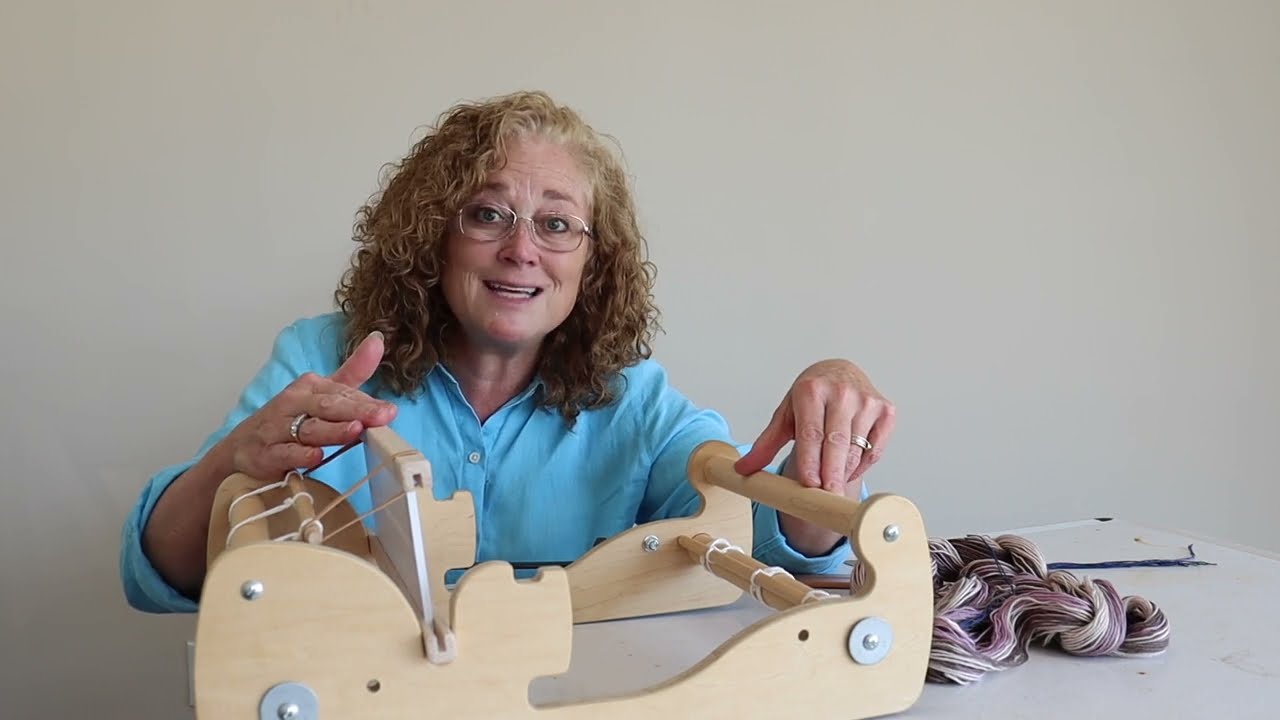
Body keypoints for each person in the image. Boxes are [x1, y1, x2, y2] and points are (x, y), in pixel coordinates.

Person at [119, 90, 895, 613]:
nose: (523, 249)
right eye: (488, 214)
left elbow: (781, 552)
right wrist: (230, 464)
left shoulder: (635, 401)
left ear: (594, 260)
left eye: (557, 224)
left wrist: (830, 441)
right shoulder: (323, 357)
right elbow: (161, 574)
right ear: (433, 235)